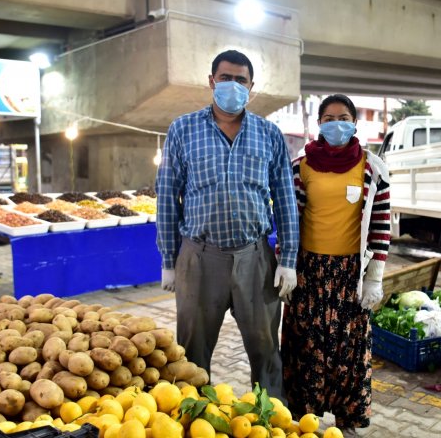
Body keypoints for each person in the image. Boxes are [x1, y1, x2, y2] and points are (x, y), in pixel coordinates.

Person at [155, 50, 299, 398]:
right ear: (211, 81)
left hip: (255, 258)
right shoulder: (182, 129)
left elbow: (284, 198)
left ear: (251, 88)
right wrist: (168, 261)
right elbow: (166, 196)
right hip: (199, 258)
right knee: (192, 354)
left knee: (266, 352)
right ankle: (195, 421)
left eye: (241, 80)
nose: (232, 86)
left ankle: (268, 424)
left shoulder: (269, 134)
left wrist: (289, 259)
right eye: (225, 78)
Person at [280, 94, 391, 434]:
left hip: (350, 276)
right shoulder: (300, 167)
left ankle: (348, 422)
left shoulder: (372, 168)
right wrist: (284, 264)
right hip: (309, 272)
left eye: (342, 117)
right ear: (319, 124)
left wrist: (375, 278)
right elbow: (288, 219)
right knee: (305, 346)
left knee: (350, 352)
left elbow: (381, 225)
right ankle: (303, 420)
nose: (335, 123)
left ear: (354, 123)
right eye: (328, 118)